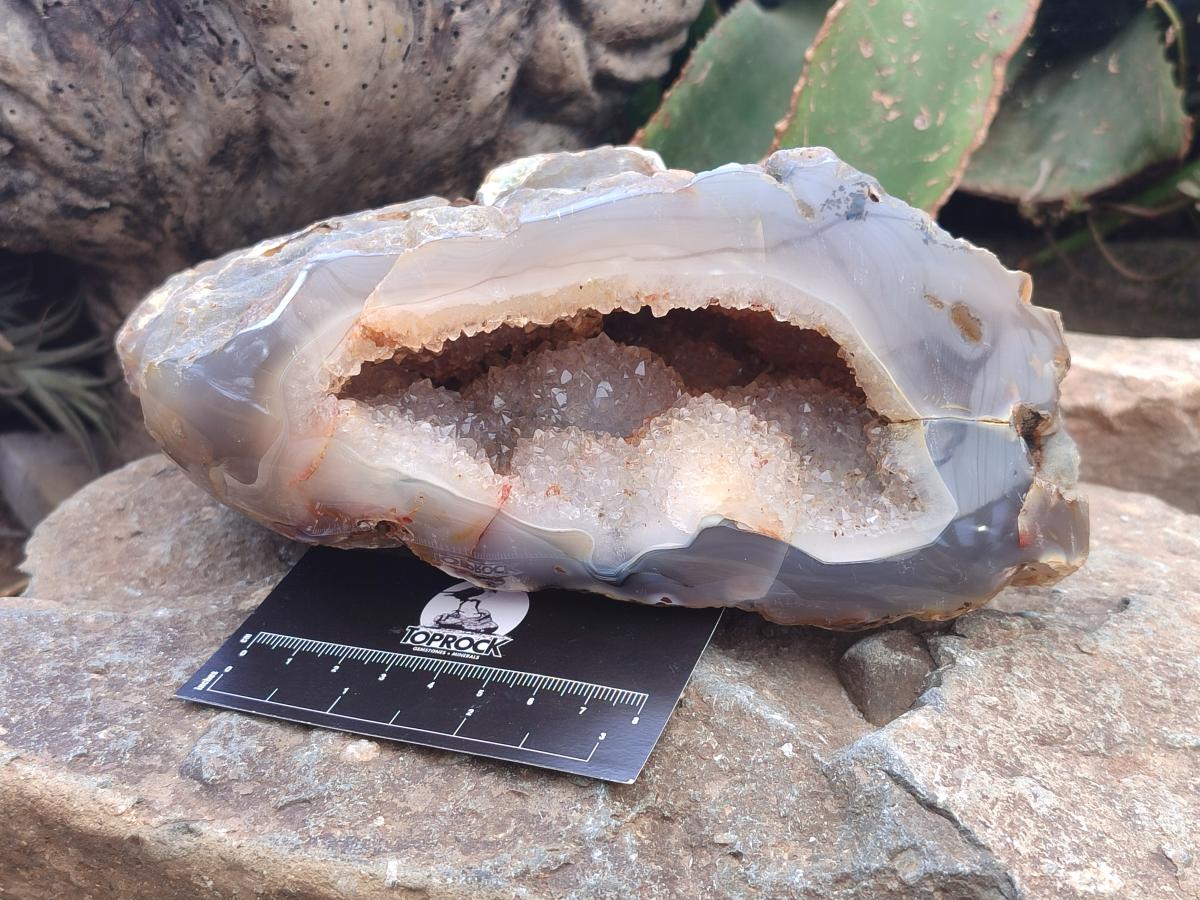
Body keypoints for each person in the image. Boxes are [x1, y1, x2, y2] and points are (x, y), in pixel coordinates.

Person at [432, 584, 500, 634]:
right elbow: (464, 595)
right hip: (466, 598)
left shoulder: (487, 592)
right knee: (467, 602)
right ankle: (459, 612)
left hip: (474, 613)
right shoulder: (481, 590)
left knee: (475, 602)